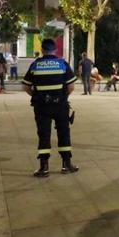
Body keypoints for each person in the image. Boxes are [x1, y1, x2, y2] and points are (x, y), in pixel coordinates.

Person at [22, 38, 79, 177]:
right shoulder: (62, 64)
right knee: (64, 133)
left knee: (43, 134)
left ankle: (44, 167)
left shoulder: (36, 65)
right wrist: (63, 97)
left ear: (42, 50)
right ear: (55, 50)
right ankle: (66, 164)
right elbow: (71, 86)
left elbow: (26, 86)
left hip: (41, 106)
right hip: (60, 105)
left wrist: (36, 95)